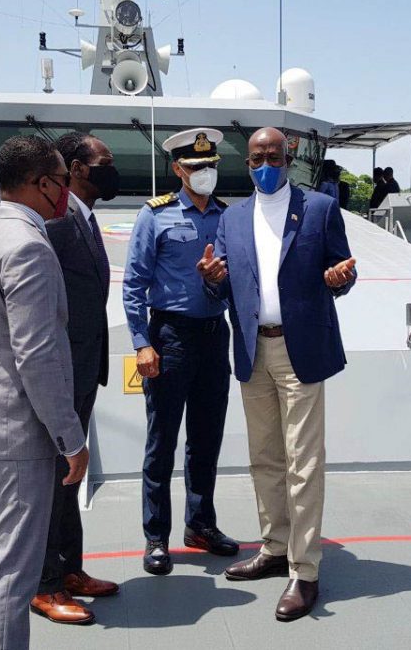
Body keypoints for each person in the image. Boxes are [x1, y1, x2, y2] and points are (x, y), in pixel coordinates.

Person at [198, 126, 357, 622]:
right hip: (252, 350)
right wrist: (211, 281)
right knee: (264, 458)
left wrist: (341, 279)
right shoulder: (232, 217)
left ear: (289, 158)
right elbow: (226, 290)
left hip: (299, 349)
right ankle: (275, 546)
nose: (265, 163)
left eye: (274, 155)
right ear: (247, 164)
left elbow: (342, 271)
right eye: (257, 157)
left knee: (303, 461)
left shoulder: (319, 210)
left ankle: (305, 570)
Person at [0, 135, 89, 650]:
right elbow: (37, 356)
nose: (68, 194)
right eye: (64, 182)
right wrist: (71, 439)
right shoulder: (29, 245)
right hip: (17, 430)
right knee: (16, 571)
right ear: (43, 183)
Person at [122, 127, 240, 576]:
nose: (204, 174)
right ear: (178, 170)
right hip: (169, 336)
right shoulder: (156, 216)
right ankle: (156, 537)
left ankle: (200, 525)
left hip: (214, 335)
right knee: (162, 440)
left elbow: (236, 284)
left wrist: (217, 281)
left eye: (210, 167)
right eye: (195, 167)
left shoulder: (228, 219)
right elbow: (134, 284)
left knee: (206, 437)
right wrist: (141, 343)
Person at [30, 131, 120, 626]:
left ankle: (70, 571)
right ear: (77, 168)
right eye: (103, 161)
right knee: (53, 478)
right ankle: (43, 586)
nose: (111, 168)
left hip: (84, 368)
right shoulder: (58, 225)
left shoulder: (82, 218)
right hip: (63, 371)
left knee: (69, 479)